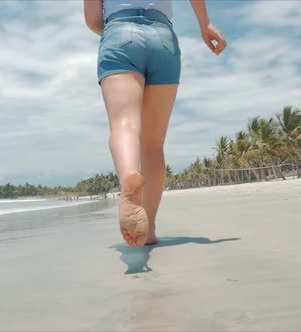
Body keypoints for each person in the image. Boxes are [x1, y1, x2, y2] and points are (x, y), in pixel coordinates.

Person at [84, 0, 226, 246]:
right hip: (163, 39)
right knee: (153, 145)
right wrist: (206, 24)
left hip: (120, 33)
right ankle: (148, 229)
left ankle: (129, 175)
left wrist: (115, 34)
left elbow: (93, 20)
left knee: (124, 125)